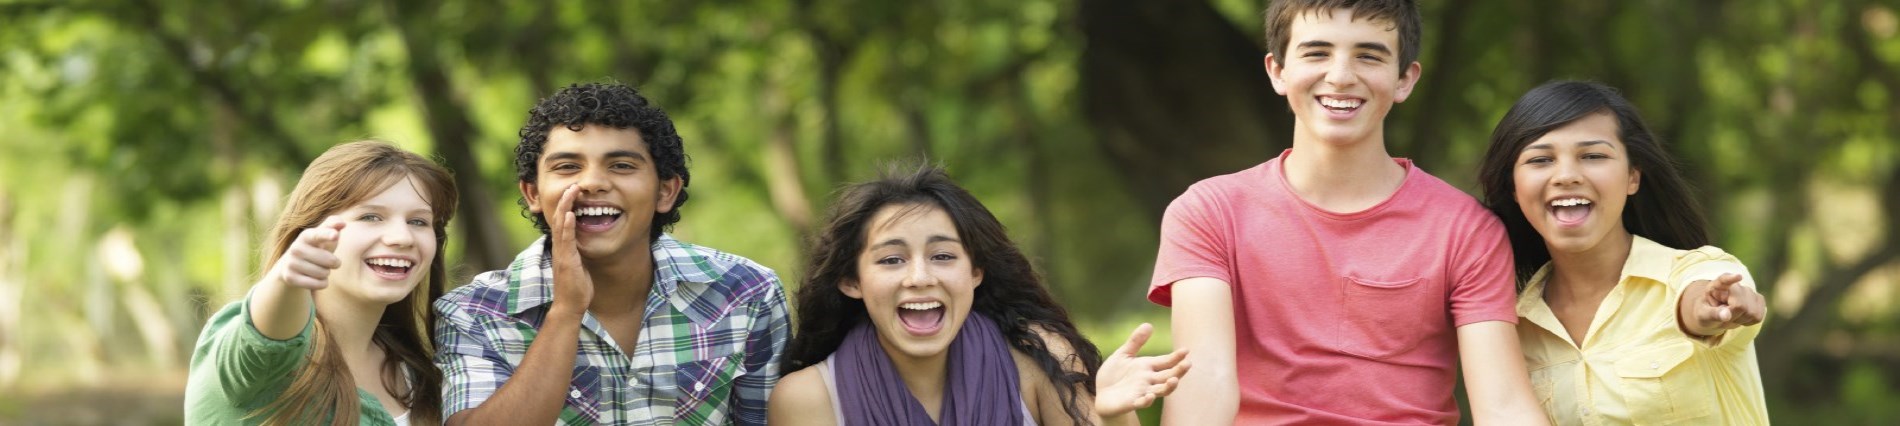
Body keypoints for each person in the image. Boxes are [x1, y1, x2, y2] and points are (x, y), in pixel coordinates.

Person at [1148, 0, 1550, 423]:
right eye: (1317, 53)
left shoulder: (1466, 229)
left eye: (1368, 55)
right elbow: (1204, 380)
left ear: (1404, 80)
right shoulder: (1208, 212)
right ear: (1277, 71)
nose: (1340, 76)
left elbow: (1502, 404)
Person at [433, 82, 790, 425]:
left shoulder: (746, 293)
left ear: (665, 191)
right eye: (568, 167)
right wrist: (565, 313)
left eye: (621, 165)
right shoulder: (473, 314)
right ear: (533, 194)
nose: (592, 183)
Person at [768, 165, 1191, 425]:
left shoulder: (1038, 358)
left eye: (942, 256)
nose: (919, 277)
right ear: (851, 281)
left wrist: (1114, 415)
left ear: (975, 272)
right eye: (891, 260)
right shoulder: (807, 398)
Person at [1477, 80, 1770, 425]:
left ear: (1633, 177)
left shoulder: (1695, 272)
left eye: (1593, 156)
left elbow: (1699, 297)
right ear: (1513, 187)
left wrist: (1707, 310)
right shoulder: (1510, 326)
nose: (1567, 175)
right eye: (1541, 160)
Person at [184, 140, 457, 425]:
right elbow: (267, 341)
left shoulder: (416, 371)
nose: (402, 237)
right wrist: (286, 280)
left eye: (418, 222)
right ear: (310, 229)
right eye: (370, 217)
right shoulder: (257, 362)